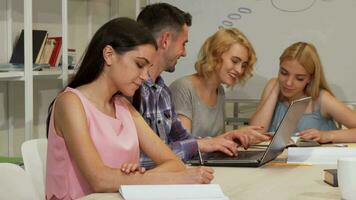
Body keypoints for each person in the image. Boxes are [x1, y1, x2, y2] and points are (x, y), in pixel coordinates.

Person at [45, 17, 214, 200]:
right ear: (109, 54)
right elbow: (99, 179)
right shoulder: (70, 103)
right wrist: (170, 179)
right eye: (139, 65)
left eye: (147, 68)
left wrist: (132, 178)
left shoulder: (123, 106)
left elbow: (174, 163)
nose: (144, 76)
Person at [133, 3, 269, 168]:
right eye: (183, 44)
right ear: (166, 40)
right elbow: (142, 158)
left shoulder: (162, 92)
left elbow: (184, 141)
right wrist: (205, 144)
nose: (184, 53)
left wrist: (226, 138)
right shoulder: (133, 90)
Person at [249, 41, 356, 143]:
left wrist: (326, 135)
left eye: (299, 78)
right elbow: (254, 133)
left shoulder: (322, 99)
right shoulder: (273, 86)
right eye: (284, 73)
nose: (289, 83)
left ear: (310, 78)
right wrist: (275, 89)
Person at [170, 28, 263, 138]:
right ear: (215, 55)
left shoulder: (220, 92)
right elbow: (184, 145)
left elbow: (219, 142)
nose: (239, 70)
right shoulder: (182, 88)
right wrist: (232, 135)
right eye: (235, 61)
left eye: (243, 65)